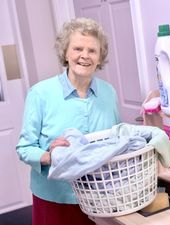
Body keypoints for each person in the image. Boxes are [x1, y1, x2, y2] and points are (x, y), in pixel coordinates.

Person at [16, 17, 120, 225]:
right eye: (78, 48)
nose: (85, 56)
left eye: (92, 51)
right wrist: (50, 156)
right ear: (65, 53)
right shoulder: (40, 94)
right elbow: (24, 148)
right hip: (56, 198)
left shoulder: (108, 93)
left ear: (100, 58)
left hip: (101, 197)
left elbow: (116, 140)